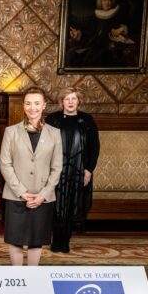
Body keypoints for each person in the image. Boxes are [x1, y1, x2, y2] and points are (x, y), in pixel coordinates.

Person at [0, 87, 63, 266]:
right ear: (23, 106)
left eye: (36, 103)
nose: (32, 108)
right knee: (15, 240)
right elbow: (5, 164)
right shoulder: (11, 132)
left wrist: (43, 194)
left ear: (44, 105)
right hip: (16, 195)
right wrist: (21, 192)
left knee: (37, 240)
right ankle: (18, 277)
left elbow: (57, 167)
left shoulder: (54, 133)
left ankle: (32, 277)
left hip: (43, 196)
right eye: (28, 103)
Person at [46, 87, 100, 253]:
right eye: (67, 99)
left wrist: (89, 170)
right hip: (56, 170)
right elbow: (44, 145)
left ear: (78, 101)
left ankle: (66, 240)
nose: (70, 102)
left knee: (72, 204)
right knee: (56, 205)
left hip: (78, 171)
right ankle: (56, 240)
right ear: (61, 101)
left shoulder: (87, 119)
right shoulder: (52, 119)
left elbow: (94, 147)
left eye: (73, 99)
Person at [66, 0, 136, 68]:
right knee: (72, 54)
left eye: (109, 0)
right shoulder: (95, 16)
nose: (107, 3)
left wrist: (121, 29)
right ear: (100, 2)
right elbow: (88, 31)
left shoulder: (117, 15)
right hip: (94, 45)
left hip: (109, 47)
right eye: (104, 0)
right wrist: (78, 34)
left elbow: (128, 27)